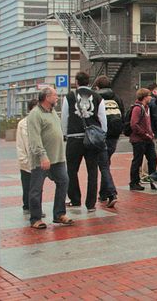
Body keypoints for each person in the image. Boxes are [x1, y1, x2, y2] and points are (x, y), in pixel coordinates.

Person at [27, 86, 73, 229]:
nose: (57, 98)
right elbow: (34, 138)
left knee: (64, 181)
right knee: (36, 189)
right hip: (42, 160)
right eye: (55, 95)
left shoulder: (52, 112)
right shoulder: (35, 114)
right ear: (47, 98)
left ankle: (59, 214)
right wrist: (42, 156)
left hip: (57, 158)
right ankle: (35, 219)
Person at [61, 71, 107, 213]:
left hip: (74, 138)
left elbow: (65, 117)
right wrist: (102, 134)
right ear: (89, 82)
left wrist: (65, 133)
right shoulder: (98, 97)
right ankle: (91, 203)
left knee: (72, 170)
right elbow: (102, 119)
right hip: (92, 139)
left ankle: (75, 199)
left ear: (76, 82)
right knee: (92, 171)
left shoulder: (69, 97)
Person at [93, 75, 120, 207]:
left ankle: (110, 193)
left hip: (100, 135)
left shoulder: (96, 98)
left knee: (103, 166)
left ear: (97, 86)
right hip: (114, 136)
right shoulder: (117, 97)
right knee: (105, 164)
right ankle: (104, 193)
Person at [128, 88, 157, 191]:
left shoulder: (147, 108)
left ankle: (154, 180)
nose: (151, 97)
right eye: (149, 95)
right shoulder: (138, 108)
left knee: (153, 159)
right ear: (145, 97)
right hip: (139, 140)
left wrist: (151, 133)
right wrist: (145, 134)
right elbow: (134, 124)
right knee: (137, 161)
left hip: (147, 139)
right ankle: (134, 182)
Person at [16, 98, 40, 216]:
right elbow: (20, 144)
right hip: (26, 161)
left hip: (38, 161)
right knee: (27, 186)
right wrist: (24, 160)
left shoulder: (41, 122)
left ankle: (35, 208)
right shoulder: (22, 124)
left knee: (36, 187)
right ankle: (27, 206)